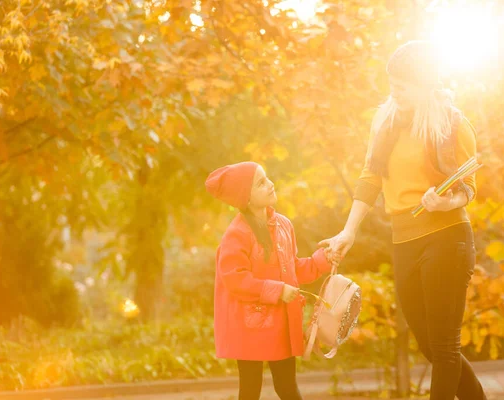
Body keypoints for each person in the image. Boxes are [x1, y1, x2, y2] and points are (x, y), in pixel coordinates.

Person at [319, 41, 486, 400]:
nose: (395, 91)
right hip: (404, 241)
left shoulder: (453, 125)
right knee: (431, 347)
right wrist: (349, 231)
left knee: (443, 349)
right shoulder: (386, 123)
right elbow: (370, 177)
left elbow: (468, 188)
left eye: (403, 84)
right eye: (391, 82)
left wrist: (445, 203)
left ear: (426, 84)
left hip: (446, 237)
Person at [205, 161, 333, 400]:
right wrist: (276, 290)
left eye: (267, 178)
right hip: (249, 325)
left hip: (280, 324)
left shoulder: (284, 225)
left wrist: (323, 259)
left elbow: (294, 269)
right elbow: (234, 279)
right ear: (247, 198)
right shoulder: (237, 235)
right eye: (261, 183)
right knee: (250, 390)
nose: (270, 185)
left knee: (287, 388)